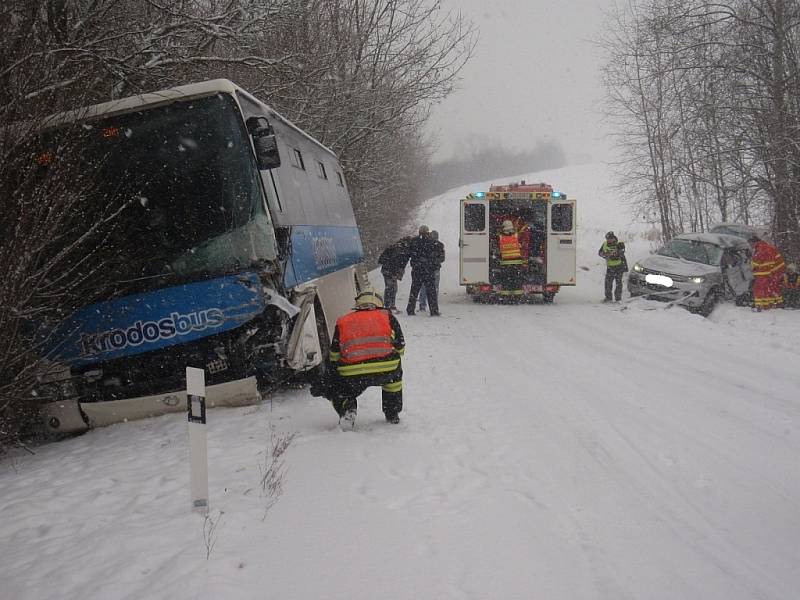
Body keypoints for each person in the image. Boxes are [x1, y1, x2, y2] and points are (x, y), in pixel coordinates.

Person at [325, 290, 405, 429]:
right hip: (386, 369)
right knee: (394, 377)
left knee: (338, 387)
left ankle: (347, 407)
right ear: (379, 304)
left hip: (352, 373)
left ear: (357, 305)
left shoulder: (343, 321)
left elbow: (334, 355)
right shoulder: (388, 317)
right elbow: (400, 348)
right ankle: (392, 413)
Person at [406, 225, 441, 316]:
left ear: (419, 232)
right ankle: (434, 311)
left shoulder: (414, 241)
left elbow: (409, 254)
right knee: (431, 291)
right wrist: (433, 265)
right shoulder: (431, 242)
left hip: (417, 270)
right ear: (427, 232)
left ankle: (410, 309)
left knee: (414, 290)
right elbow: (437, 253)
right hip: (428, 270)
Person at [750, 235, 785, 310]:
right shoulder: (766, 247)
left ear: (754, 242)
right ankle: (775, 304)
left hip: (765, 272)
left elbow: (760, 261)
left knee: (759, 288)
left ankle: (760, 305)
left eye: (750, 243)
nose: (750, 245)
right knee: (772, 288)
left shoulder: (761, 248)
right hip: (775, 271)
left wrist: (753, 267)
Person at [378, 236, 411, 313]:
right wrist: (394, 273)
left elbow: (382, 259)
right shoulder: (399, 250)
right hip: (389, 271)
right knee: (390, 288)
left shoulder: (398, 248)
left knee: (392, 288)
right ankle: (388, 306)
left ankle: (390, 306)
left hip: (387, 270)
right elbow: (394, 262)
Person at [419, 230, 445, 312]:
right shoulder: (440, 245)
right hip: (436, 269)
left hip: (426, 269)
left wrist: (427, 262)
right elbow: (442, 258)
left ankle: (422, 305)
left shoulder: (425, 244)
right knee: (435, 288)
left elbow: (422, 256)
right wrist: (435, 262)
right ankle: (434, 306)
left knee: (423, 287)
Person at [599, 231, 627, 302]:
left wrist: (614, 255)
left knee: (618, 283)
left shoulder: (619, 244)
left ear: (614, 238)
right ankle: (608, 298)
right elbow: (600, 252)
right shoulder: (605, 244)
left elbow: (621, 253)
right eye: (607, 238)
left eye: (610, 239)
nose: (609, 240)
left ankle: (618, 298)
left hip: (619, 266)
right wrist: (604, 254)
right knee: (608, 283)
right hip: (610, 267)